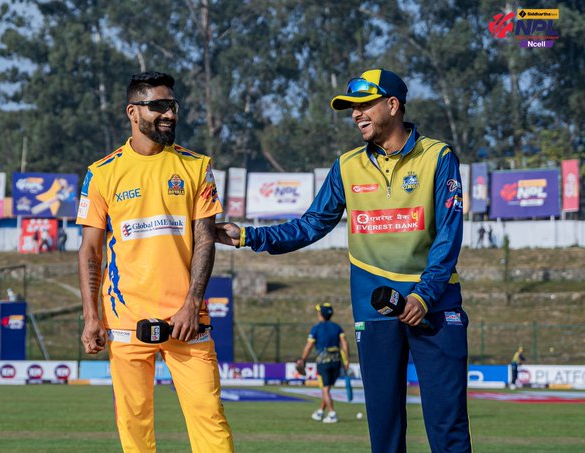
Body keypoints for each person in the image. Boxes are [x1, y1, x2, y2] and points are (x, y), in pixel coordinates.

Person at [216, 69, 471, 452]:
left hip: (435, 305)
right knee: (384, 432)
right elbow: (311, 225)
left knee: (447, 427)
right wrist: (248, 236)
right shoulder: (347, 166)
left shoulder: (438, 156)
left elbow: (449, 235)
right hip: (374, 309)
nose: (355, 114)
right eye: (352, 108)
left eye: (364, 104)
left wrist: (424, 295)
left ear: (393, 105)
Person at [76, 71, 233, 452]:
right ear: (133, 112)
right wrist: (91, 316)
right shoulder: (102, 173)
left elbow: (205, 240)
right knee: (134, 426)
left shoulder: (196, 166)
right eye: (158, 106)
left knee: (210, 419)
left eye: (172, 105)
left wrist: (191, 304)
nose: (170, 114)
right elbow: (90, 251)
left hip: (187, 321)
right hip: (125, 321)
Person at [297, 303, 349, 423]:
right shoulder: (337, 327)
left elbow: (309, 345)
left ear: (320, 314)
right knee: (327, 389)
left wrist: (303, 359)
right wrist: (346, 360)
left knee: (325, 389)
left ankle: (332, 413)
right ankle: (320, 411)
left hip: (323, 362)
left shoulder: (316, 328)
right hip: (336, 361)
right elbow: (345, 344)